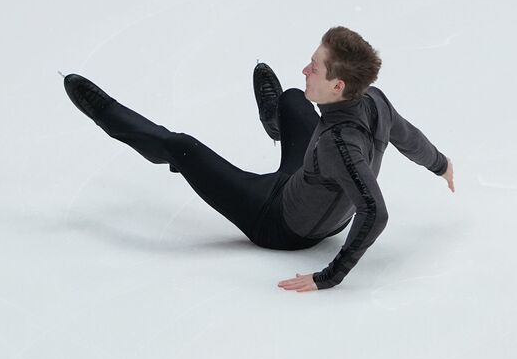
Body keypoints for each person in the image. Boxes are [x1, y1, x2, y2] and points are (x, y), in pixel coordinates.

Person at [63, 26, 455, 292]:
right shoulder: (374, 99)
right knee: (291, 98)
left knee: (183, 146)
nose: (306, 68)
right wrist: (440, 163)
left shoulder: (340, 145)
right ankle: (276, 122)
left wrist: (328, 277)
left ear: (337, 85)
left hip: (277, 223)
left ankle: (105, 112)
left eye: (313, 68)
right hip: (305, 179)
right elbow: (409, 137)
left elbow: (374, 212)